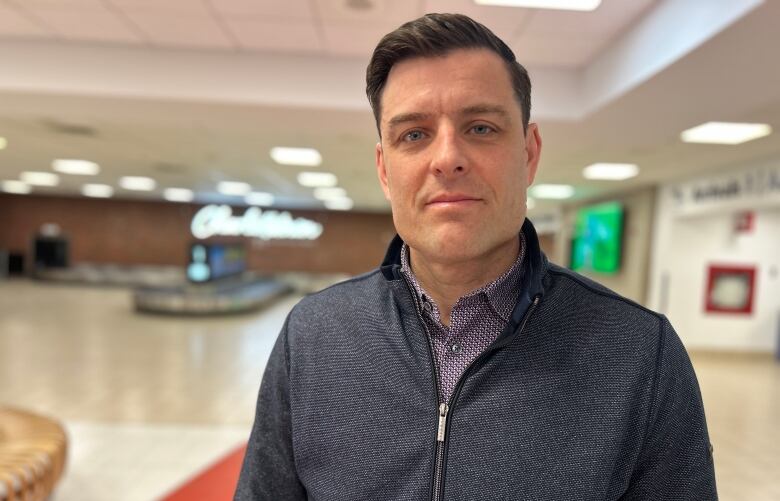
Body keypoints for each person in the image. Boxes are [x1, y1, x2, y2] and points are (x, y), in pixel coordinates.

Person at [235, 13, 717, 501]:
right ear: (385, 170)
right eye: (414, 135)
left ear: (528, 153)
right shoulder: (314, 336)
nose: (447, 158)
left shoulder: (638, 354)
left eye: (481, 127)